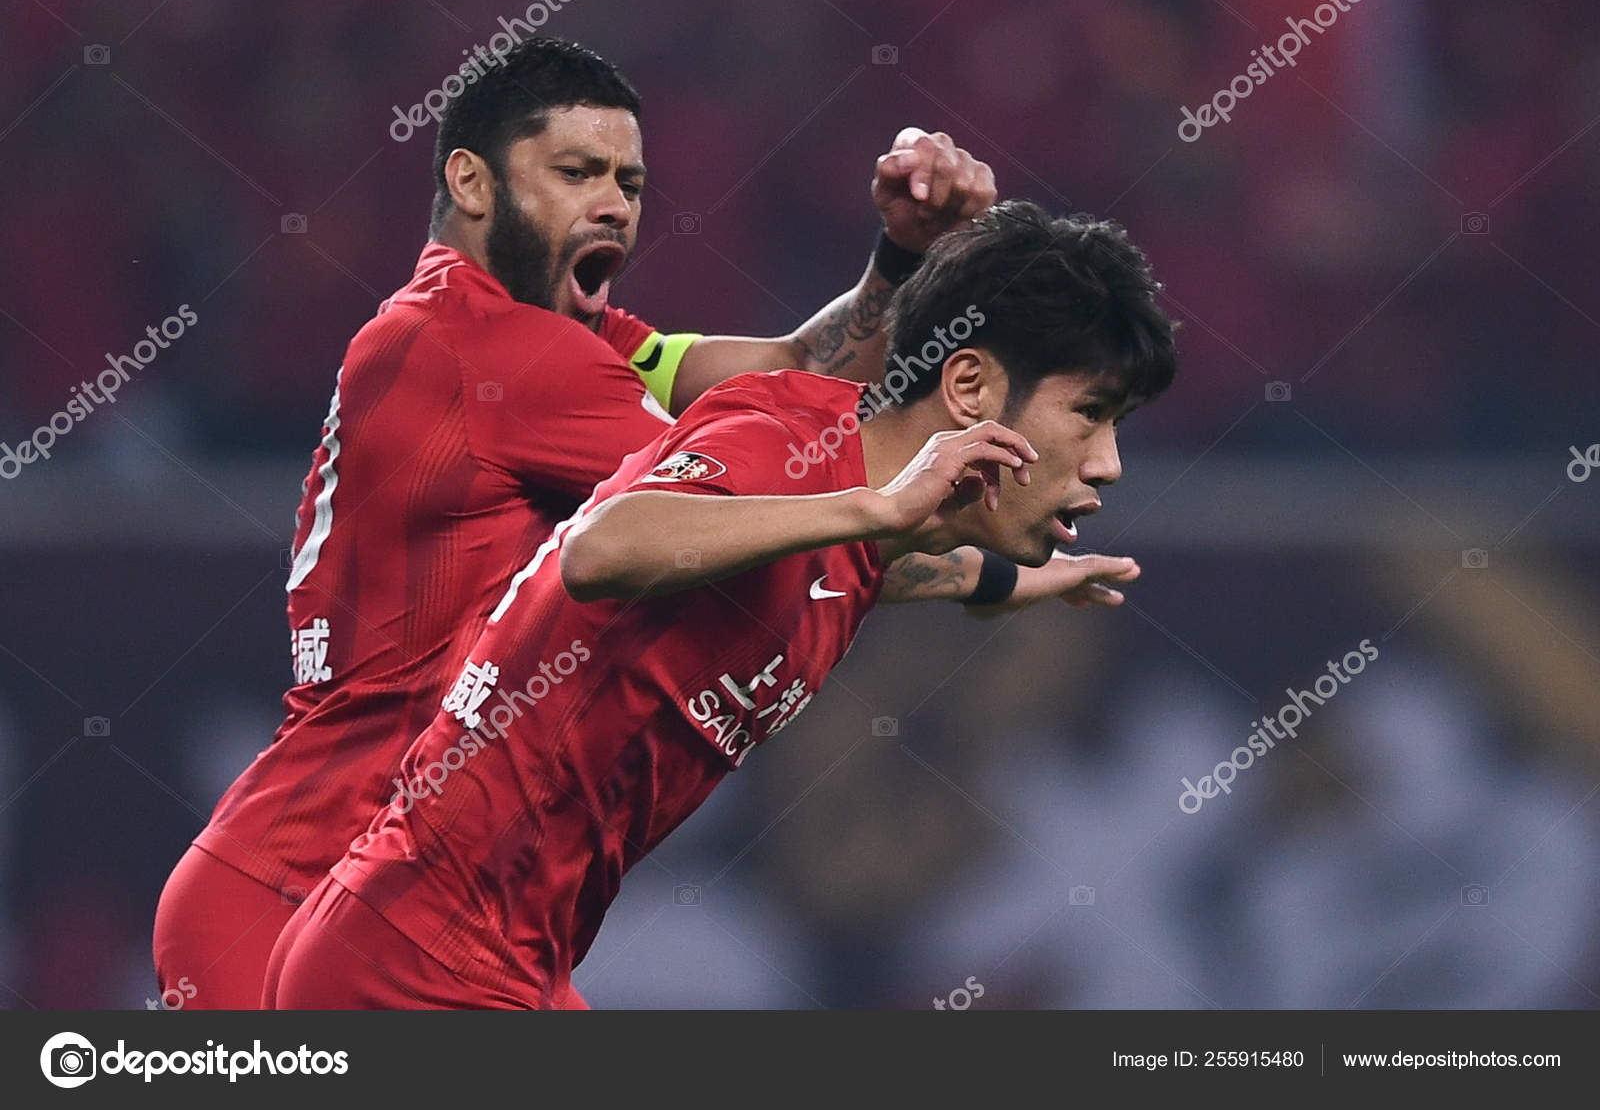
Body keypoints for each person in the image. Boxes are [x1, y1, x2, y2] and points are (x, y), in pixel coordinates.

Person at [152, 36, 1030, 1009]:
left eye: (629, 181)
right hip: (310, 887)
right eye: (577, 173)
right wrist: (943, 533)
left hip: (420, 898)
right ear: (472, 182)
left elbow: (792, 372)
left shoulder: (557, 338)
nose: (614, 203)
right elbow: (743, 494)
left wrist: (899, 260)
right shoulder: (489, 354)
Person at [261, 199, 1179, 1009]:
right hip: (412, 959)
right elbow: (600, 547)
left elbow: (868, 566)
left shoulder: (844, 526)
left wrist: (1011, 580)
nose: (1107, 463)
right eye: (1089, 414)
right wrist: (878, 508)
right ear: (970, 387)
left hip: (501, 961)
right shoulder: (784, 442)